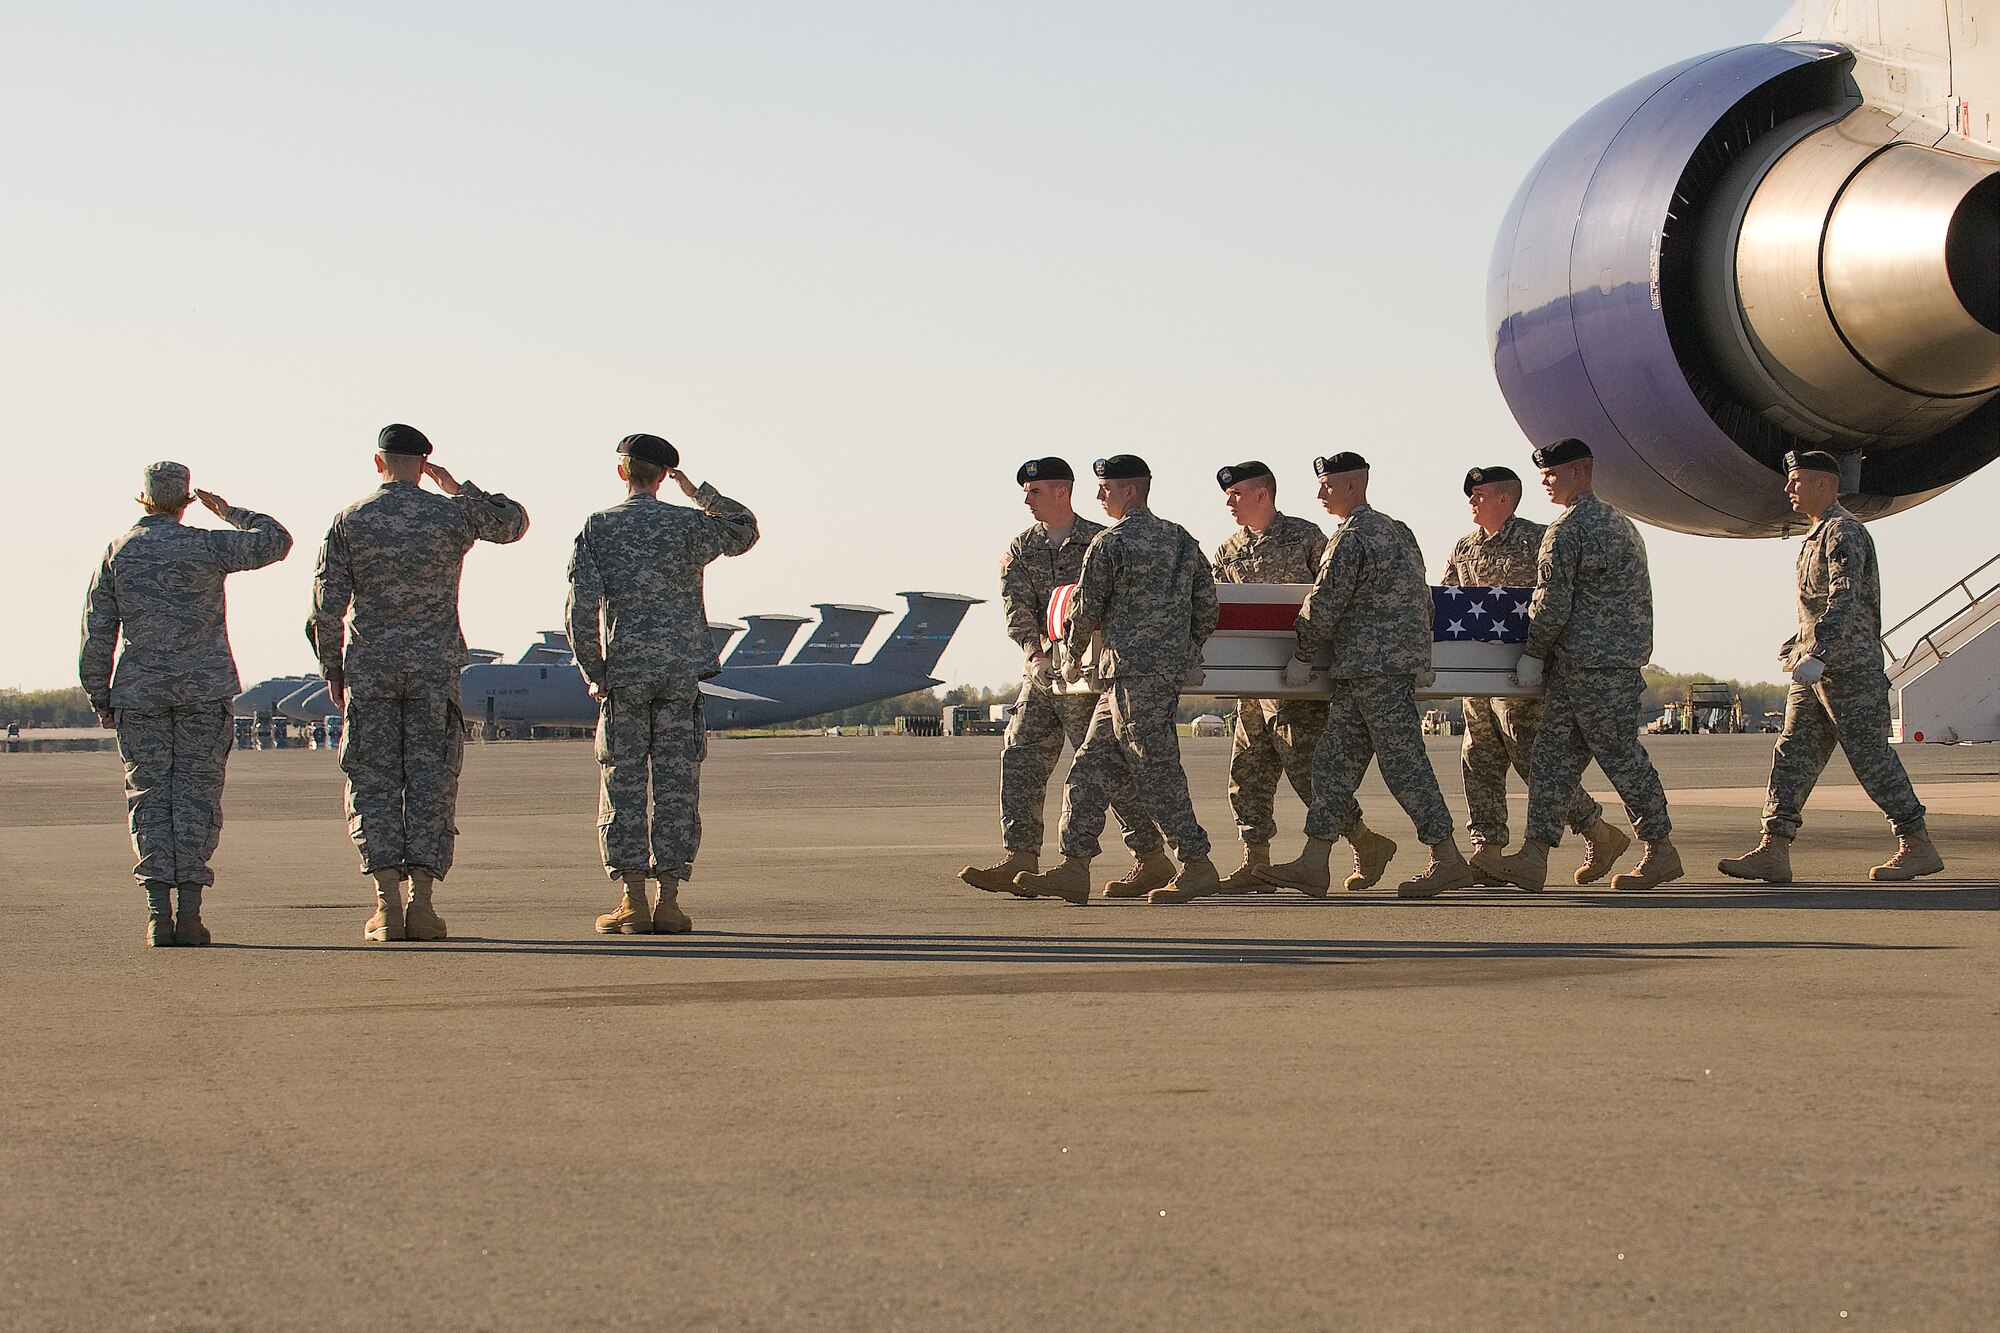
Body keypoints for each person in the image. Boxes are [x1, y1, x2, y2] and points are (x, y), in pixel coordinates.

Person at [311, 424, 529, 942]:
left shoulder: (351, 519)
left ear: (378, 462)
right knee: (431, 785)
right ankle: (424, 905)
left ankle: (386, 906)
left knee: (373, 783)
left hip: (373, 671)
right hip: (433, 671)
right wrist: (458, 490)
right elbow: (513, 523)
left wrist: (333, 669)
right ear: (425, 462)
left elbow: (325, 606)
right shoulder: (450, 514)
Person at [80, 461, 293, 945]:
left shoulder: (121, 551)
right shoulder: (205, 544)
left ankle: (158, 914)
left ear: (145, 497)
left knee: (150, 798)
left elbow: (97, 631)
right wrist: (230, 511)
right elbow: (275, 541)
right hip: (203, 690)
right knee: (197, 796)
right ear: (186, 498)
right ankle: (192, 915)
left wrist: (99, 692)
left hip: (141, 691)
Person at [1256, 453, 1478, 899]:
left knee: (1404, 767)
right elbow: (1424, 597)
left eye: (1328, 486)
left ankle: (1448, 859)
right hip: (1371, 671)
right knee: (1332, 767)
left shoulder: (1353, 537)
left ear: (1353, 486)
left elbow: (1323, 604)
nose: (1320, 494)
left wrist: (1301, 654)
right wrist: (1420, 659)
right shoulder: (1400, 531)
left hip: (1374, 670)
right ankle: (1314, 861)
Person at [1718, 450, 1943, 883]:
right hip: (1813, 668)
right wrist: (1801, 647)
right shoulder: (1815, 536)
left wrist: (1819, 651)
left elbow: (1845, 596)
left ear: (1823, 484)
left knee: (1870, 757)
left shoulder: (1844, 532)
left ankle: (1917, 844)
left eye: (1796, 481)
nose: (1789, 489)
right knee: (1791, 753)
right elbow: (1818, 605)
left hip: (1847, 668)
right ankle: (1773, 848)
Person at [567, 433, 759, 935]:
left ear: (622, 472)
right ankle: (669, 901)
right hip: (678, 675)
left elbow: (580, 609)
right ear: (663, 476)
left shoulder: (600, 527)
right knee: (677, 786)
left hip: (625, 676)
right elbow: (743, 528)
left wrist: (594, 671)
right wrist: (698, 493)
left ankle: (631, 900)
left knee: (623, 785)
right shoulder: (690, 525)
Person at [959, 457, 1171, 900]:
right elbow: (1015, 606)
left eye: (1035, 492)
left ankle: (1150, 856)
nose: (1027, 500)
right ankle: (1020, 856)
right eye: (1025, 492)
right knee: (1019, 758)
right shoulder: (1020, 549)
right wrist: (1032, 653)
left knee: (1102, 773)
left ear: (1062, 491)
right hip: (1042, 677)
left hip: (1087, 681)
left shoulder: (1100, 541)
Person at [1013, 455, 1222, 904]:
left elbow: (1085, 609)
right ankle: (1073, 866)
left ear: (1129, 491)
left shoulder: (1111, 543)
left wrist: (1069, 656)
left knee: (1155, 771)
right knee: (1088, 767)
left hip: (1130, 671)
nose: (1099, 495)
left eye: (1106, 488)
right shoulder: (1181, 540)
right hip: (1144, 675)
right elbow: (1207, 605)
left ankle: (1197, 863)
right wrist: (1187, 650)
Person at [1492, 438, 1677, 892]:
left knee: (1621, 757)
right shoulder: (1621, 524)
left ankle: (1661, 850)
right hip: (1599, 664)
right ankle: (1534, 856)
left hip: (1592, 667)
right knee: (1550, 762)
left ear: (1579, 471)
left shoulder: (1568, 529)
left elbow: (1551, 602)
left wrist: (1533, 652)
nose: (1545, 482)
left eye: (1552, 474)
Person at [1208, 461, 1397, 893]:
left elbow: (1333, 596)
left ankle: (1365, 843)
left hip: (1301, 684)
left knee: (1309, 775)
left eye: (1237, 494)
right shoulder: (1227, 550)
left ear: (1262, 494)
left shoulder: (1306, 536)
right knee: (1247, 775)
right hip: (1252, 687)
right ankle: (1255, 863)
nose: (1229, 502)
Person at [1442, 464, 1629, 885]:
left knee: (1532, 760)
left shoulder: (1538, 540)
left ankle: (1598, 832)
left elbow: (1558, 599)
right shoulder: (1463, 548)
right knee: (1478, 758)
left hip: (1523, 675)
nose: (1472, 501)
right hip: (1477, 677)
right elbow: (1448, 602)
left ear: (1504, 500)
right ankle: (1487, 849)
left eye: (1480, 495)